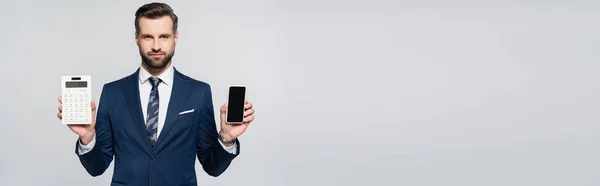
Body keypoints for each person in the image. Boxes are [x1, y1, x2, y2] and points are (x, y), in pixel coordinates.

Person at [56, 2, 255, 185]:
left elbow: (213, 167)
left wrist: (227, 137)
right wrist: (88, 138)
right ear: (136, 38)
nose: (156, 46)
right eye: (148, 37)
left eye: (164, 36)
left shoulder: (199, 92)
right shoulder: (112, 93)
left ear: (175, 37)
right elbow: (96, 167)